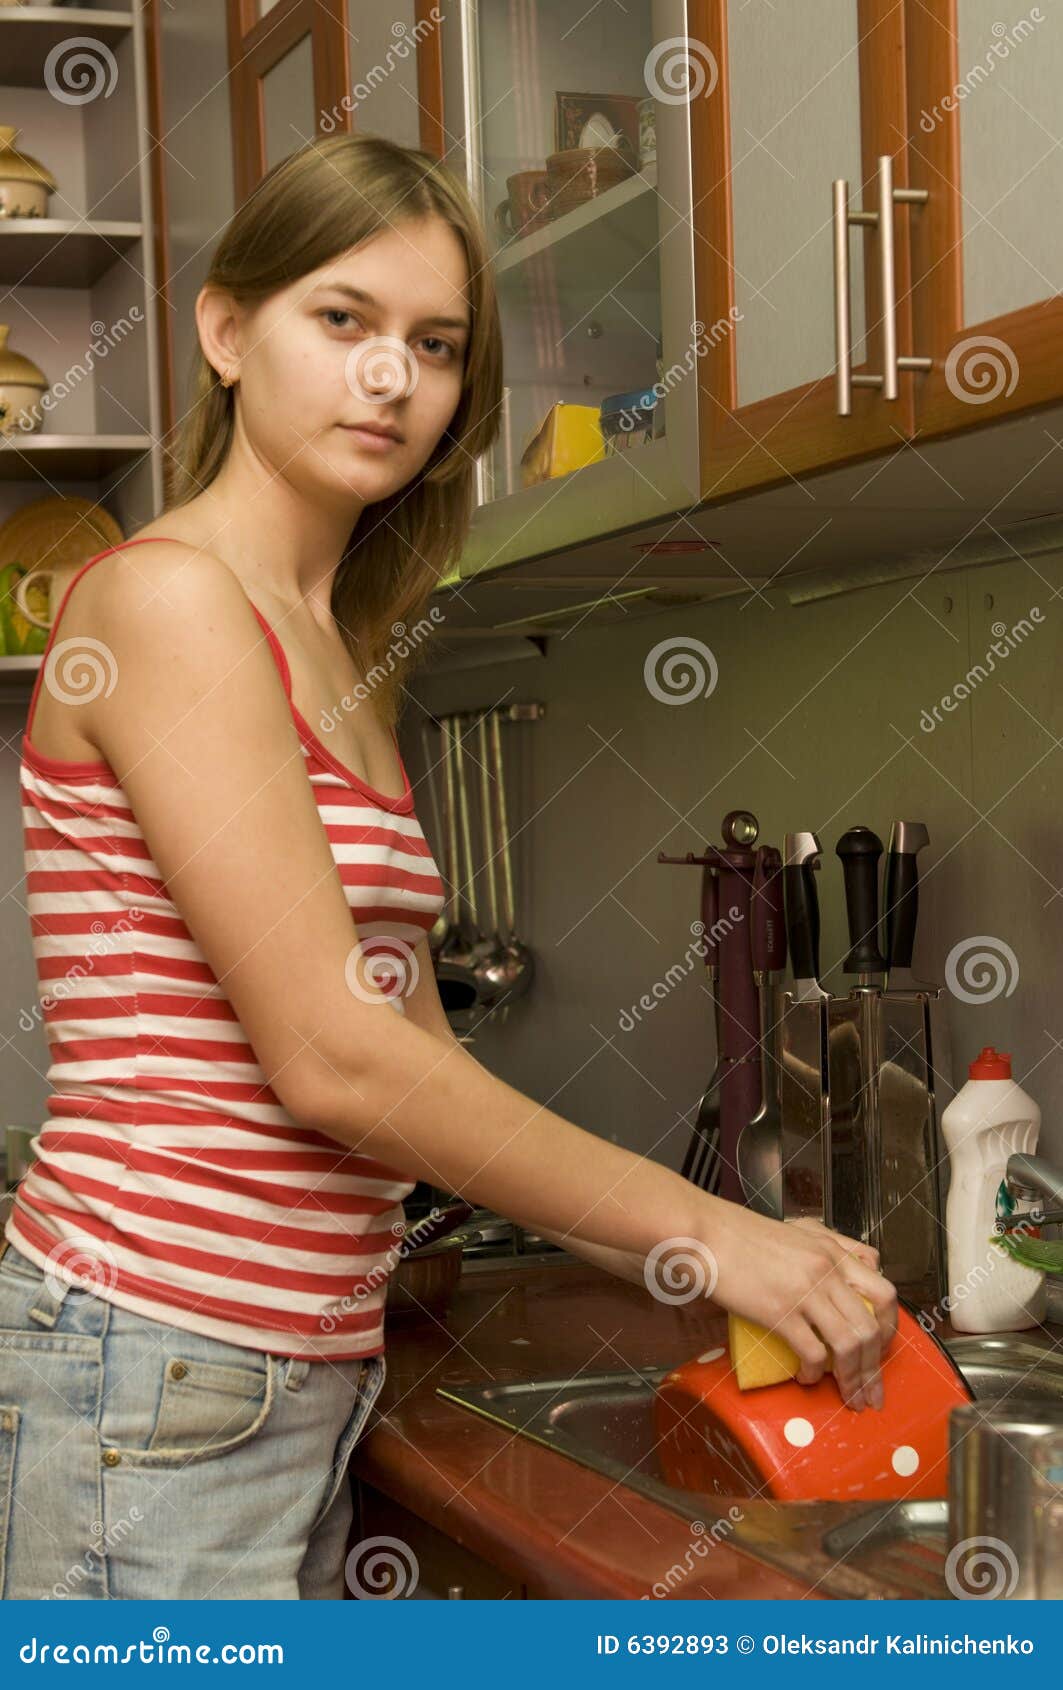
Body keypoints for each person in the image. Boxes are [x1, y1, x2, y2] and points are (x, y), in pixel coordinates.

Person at [0, 133, 895, 1601]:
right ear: (226, 330)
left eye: (433, 345)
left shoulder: (342, 652)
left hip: (277, 1369)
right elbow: (332, 1058)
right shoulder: (166, 600)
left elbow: (413, 1052)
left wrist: (680, 1263)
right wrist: (716, 1236)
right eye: (340, 320)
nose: (387, 379)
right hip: (151, 1355)